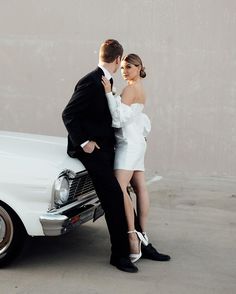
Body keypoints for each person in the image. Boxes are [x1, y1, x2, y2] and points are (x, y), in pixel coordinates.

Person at [62, 39, 139, 273]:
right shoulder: (91, 81)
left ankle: (139, 245)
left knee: (123, 192)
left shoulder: (104, 80)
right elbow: (68, 114)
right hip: (92, 150)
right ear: (117, 59)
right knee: (114, 197)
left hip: (106, 148)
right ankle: (120, 256)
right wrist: (84, 142)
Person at [102, 53, 170, 263]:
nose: (124, 71)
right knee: (140, 187)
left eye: (129, 67)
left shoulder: (130, 89)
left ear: (139, 67)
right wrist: (115, 95)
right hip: (137, 142)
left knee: (119, 188)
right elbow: (134, 116)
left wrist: (108, 94)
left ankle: (132, 236)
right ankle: (144, 236)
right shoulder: (140, 89)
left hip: (129, 145)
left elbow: (117, 120)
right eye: (122, 67)